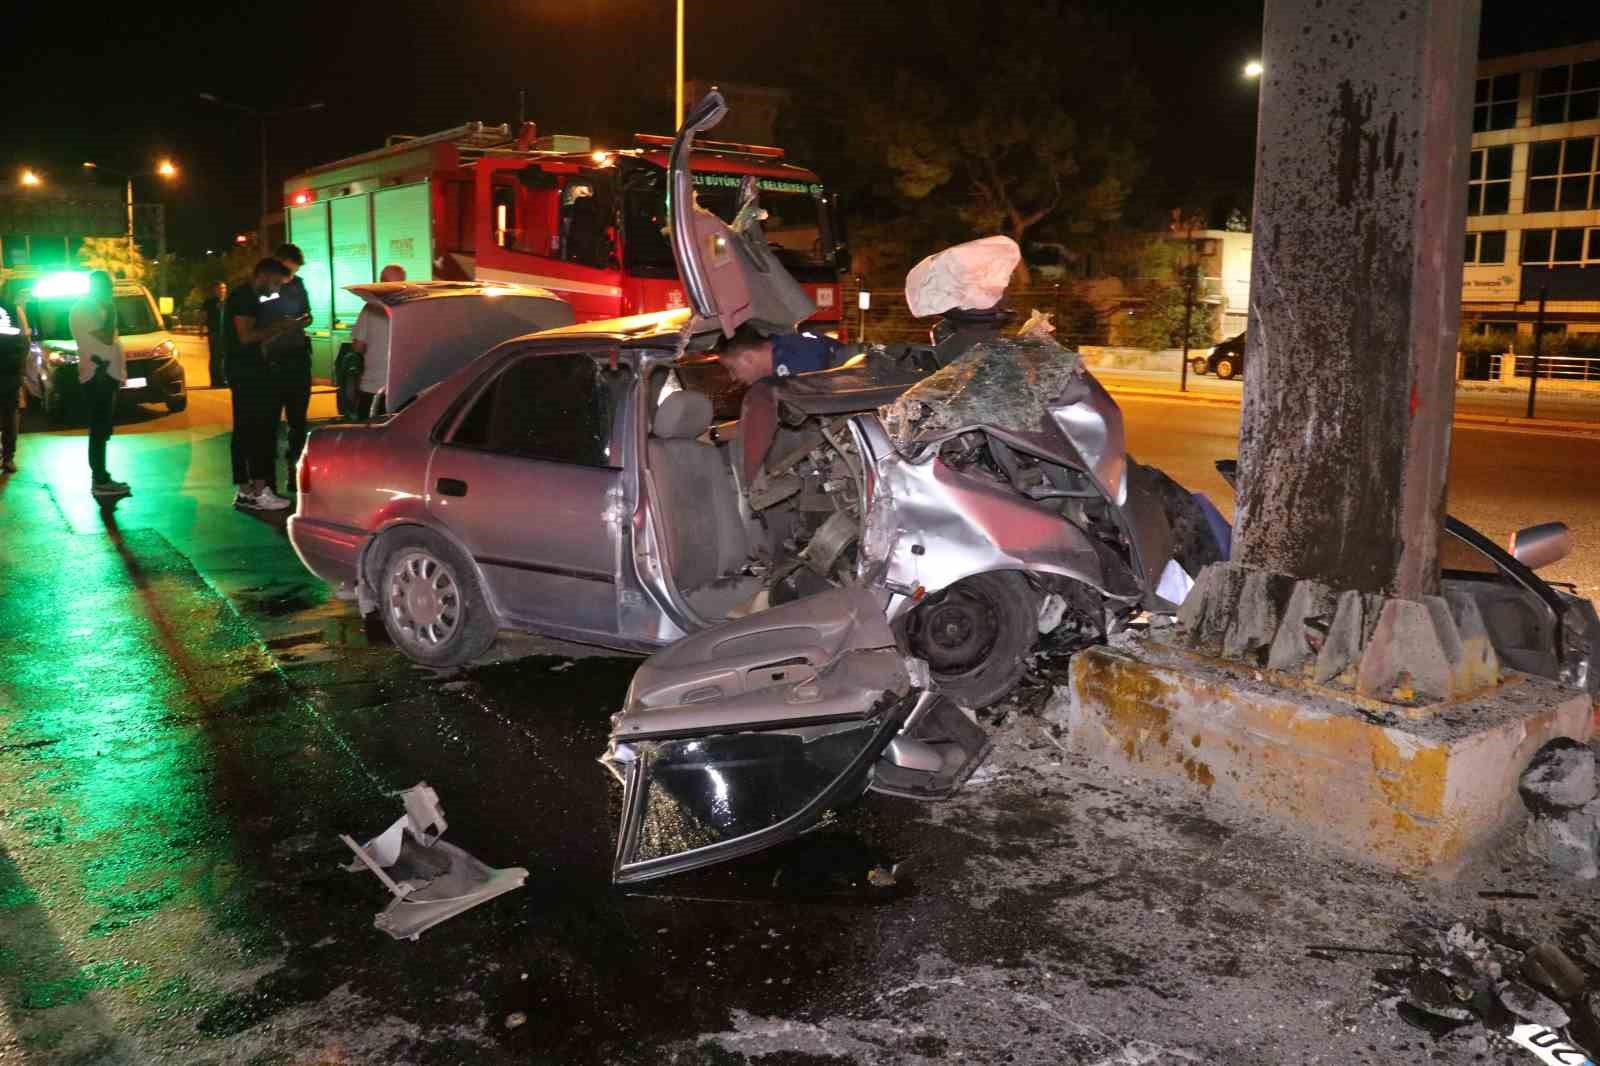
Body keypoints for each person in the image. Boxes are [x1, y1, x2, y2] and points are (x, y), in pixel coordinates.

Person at [225, 258, 305, 511]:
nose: (275, 291)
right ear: (263, 275)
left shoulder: (244, 295)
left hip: (245, 371)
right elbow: (246, 336)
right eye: (275, 284)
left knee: (246, 430)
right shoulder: (244, 297)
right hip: (248, 373)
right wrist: (279, 327)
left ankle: (247, 490)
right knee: (259, 430)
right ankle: (259, 491)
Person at [70, 271, 130, 498]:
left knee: (102, 429)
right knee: (98, 429)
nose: (110, 293)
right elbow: (106, 337)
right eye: (107, 288)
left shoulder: (96, 308)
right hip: (98, 376)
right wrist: (113, 311)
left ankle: (102, 477)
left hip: (106, 376)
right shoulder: (84, 309)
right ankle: (100, 480)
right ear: (96, 287)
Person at [259, 243, 312, 492]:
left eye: (293, 272)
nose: (289, 277)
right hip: (274, 360)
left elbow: (308, 314)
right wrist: (281, 325)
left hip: (298, 357)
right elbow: (262, 318)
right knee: (269, 422)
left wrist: (301, 321)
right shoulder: (267, 287)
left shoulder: (298, 284)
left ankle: (295, 473)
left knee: (298, 422)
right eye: (287, 271)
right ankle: (267, 482)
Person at [350, 263, 406, 419]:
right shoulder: (411, 308)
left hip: (372, 388)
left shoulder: (370, 308)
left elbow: (357, 347)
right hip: (403, 388)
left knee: (368, 436)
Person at [717, 324, 845, 386]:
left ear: (748, 358)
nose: (732, 377)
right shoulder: (784, 347)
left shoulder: (800, 360)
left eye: (732, 369)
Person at [0, 300, 24, 474]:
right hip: (10, 371)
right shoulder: (10, 307)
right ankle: (8, 457)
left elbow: (24, 339)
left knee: (9, 414)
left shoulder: (10, 307)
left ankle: (8, 457)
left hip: (8, 372)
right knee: (9, 415)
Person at [203, 281, 229, 387]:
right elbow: (203, 316)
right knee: (215, 357)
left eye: (223, 288)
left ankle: (224, 379)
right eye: (219, 288)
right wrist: (201, 328)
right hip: (214, 332)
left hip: (227, 332)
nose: (222, 290)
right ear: (214, 290)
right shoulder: (209, 302)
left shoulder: (228, 302)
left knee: (225, 356)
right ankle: (215, 381)